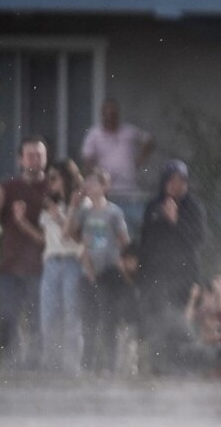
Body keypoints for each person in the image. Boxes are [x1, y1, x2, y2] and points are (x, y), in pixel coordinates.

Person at [139, 159, 208, 370]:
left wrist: (175, 220)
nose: (177, 186)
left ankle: (186, 366)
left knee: (181, 322)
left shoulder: (193, 207)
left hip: (184, 275)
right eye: (173, 180)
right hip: (158, 276)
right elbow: (146, 241)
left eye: (182, 181)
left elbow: (198, 238)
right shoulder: (153, 206)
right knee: (158, 320)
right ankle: (158, 365)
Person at [0, 135, 50, 372]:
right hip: (10, 265)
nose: (34, 159)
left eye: (39, 155)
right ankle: (11, 363)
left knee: (37, 320)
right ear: (20, 159)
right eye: (30, 155)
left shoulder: (51, 188)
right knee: (6, 317)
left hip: (40, 266)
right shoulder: (8, 187)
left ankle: (35, 366)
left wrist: (23, 220)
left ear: (45, 158)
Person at [68, 168, 131, 375]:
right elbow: (72, 235)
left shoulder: (113, 212)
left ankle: (111, 365)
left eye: (94, 183)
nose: (89, 187)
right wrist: (73, 206)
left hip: (109, 272)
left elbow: (124, 242)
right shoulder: (85, 212)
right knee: (89, 320)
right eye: (88, 183)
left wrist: (121, 265)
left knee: (108, 320)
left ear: (105, 187)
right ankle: (87, 364)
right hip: (89, 272)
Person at [38, 159, 86, 374]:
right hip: (51, 262)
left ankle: (71, 365)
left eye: (54, 178)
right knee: (48, 314)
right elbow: (43, 237)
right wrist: (21, 223)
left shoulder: (81, 204)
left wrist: (61, 216)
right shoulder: (49, 204)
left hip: (72, 262)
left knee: (72, 314)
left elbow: (75, 237)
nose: (50, 183)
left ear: (65, 179)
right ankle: (51, 362)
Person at [80, 99, 154, 236]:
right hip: (108, 194)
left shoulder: (129, 131)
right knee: (109, 233)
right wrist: (94, 180)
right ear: (102, 115)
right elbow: (87, 160)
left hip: (130, 193)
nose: (110, 118)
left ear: (117, 115)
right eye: (107, 114)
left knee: (132, 233)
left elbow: (149, 140)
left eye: (113, 114)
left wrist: (139, 162)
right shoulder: (94, 134)